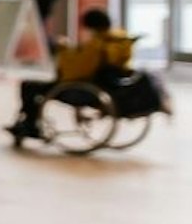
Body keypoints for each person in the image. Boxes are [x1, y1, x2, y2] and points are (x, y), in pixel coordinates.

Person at [7, 8, 133, 145]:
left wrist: (64, 50)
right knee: (34, 86)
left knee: (29, 86)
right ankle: (29, 122)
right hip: (100, 84)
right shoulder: (118, 39)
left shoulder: (97, 44)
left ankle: (30, 124)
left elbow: (76, 71)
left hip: (79, 88)